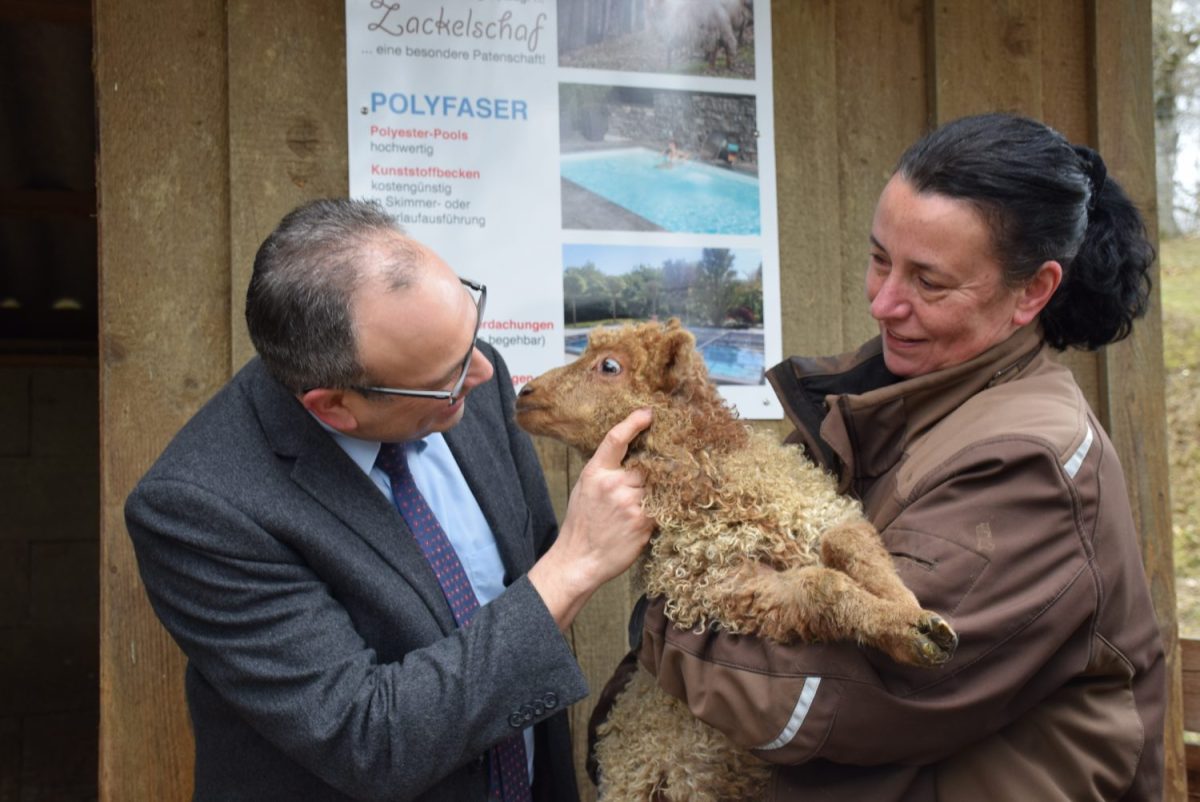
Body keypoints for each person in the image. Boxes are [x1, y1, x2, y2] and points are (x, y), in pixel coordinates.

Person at [613, 113, 1166, 799]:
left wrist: (662, 622)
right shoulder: (896, 401)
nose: (883, 301)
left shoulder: (1029, 464)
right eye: (880, 259)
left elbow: (838, 692)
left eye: (929, 283)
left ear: (1033, 291)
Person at [125, 198, 655, 802]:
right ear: (334, 407)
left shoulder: (465, 374)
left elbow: (522, 589)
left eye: (472, 337)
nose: (483, 374)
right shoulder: (198, 507)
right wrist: (577, 564)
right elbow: (370, 739)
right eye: (447, 382)